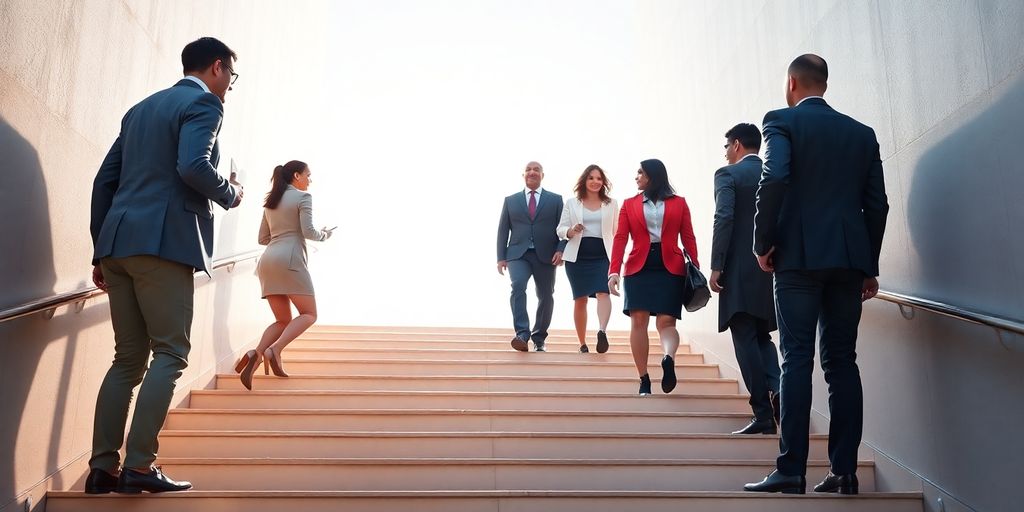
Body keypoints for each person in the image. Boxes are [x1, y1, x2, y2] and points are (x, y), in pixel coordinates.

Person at [87, 37, 242, 494]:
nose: (230, 86)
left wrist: (101, 248)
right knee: (171, 352)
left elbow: (104, 180)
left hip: (118, 244)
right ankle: (138, 466)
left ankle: (102, 469)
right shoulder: (206, 105)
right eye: (231, 76)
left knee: (127, 359)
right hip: (163, 243)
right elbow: (192, 166)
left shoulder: (140, 110)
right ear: (217, 68)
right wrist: (230, 193)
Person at [744, 54, 889, 495]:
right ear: (823, 84)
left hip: (797, 258)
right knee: (842, 362)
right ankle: (843, 472)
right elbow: (877, 204)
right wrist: (868, 265)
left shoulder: (780, 121)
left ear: (792, 83)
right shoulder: (862, 134)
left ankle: (791, 471)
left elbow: (775, 178)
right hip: (847, 260)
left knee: (796, 359)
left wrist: (761, 241)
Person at [710, 123, 781, 434]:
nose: (725, 153)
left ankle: (762, 414)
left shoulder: (727, 175)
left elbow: (723, 217)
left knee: (744, 336)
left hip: (737, 268)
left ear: (736, 144)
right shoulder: (774, 172)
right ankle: (780, 389)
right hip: (771, 268)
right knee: (762, 336)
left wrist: (716, 265)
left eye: (726, 146)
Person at [236, 160, 333, 389]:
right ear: (297, 175)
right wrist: (325, 235)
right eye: (308, 175)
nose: (310, 180)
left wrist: (282, 237)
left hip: (268, 261)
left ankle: (256, 353)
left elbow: (262, 239)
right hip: (290, 260)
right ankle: (275, 350)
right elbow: (309, 231)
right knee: (309, 314)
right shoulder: (303, 198)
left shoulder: (271, 201)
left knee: (283, 320)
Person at [608, 159, 699, 395]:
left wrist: (695, 270)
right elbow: (620, 238)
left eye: (640, 172)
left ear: (653, 175)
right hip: (639, 267)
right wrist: (614, 270)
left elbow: (688, 238)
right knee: (643, 321)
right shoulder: (629, 204)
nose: (636, 176)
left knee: (663, 321)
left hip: (671, 267)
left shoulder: (679, 204)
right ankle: (646, 376)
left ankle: (664, 362)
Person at [496, 161, 564, 352]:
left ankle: (539, 337)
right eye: (528, 169)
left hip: (546, 255)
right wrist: (501, 256)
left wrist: (561, 250)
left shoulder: (556, 200)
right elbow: (503, 230)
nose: (532, 172)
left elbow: (563, 228)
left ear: (543, 175)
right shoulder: (511, 200)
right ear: (523, 174)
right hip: (518, 254)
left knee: (546, 295)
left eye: (536, 170)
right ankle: (522, 334)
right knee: (517, 286)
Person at [557, 165, 619, 353]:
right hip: (577, 257)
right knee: (580, 299)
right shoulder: (572, 203)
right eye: (591, 178)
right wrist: (571, 230)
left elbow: (617, 232)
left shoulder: (612, 204)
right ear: (584, 181)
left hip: (603, 255)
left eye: (599, 178)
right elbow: (560, 229)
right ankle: (582, 343)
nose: (595, 182)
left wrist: (617, 257)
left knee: (603, 292)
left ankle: (602, 331)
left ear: (603, 182)